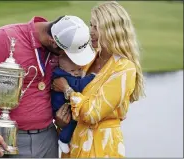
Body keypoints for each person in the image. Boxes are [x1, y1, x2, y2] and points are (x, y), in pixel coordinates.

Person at [0, 15, 95, 158]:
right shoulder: (4, 38)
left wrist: (59, 120)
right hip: (8, 139)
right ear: (52, 42)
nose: (68, 58)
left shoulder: (59, 44)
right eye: (66, 53)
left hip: (48, 138)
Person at [53, 1, 145, 158]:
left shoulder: (124, 68)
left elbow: (91, 113)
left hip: (103, 147)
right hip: (75, 145)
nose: (91, 32)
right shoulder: (88, 58)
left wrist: (67, 89)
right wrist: (61, 123)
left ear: (111, 30)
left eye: (96, 27)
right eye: (91, 25)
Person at [51, 53, 95, 154]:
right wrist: (92, 77)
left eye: (79, 69)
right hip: (62, 106)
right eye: (72, 71)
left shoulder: (61, 74)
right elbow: (79, 86)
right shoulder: (66, 77)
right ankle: (63, 140)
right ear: (62, 68)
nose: (76, 73)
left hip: (60, 104)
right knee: (72, 122)